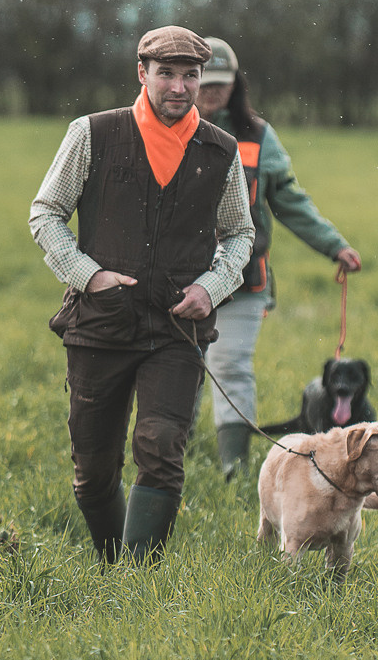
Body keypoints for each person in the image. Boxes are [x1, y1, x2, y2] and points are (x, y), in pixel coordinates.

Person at [29, 27, 255, 562]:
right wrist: (89, 276)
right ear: (142, 74)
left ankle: (137, 577)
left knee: (160, 446)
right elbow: (46, 212)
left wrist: (212, 286)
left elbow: (240, 234)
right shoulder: (92, 134)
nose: (180, 87)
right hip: (100, 323)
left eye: (191, 76)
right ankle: (112, 566)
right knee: (92, 470)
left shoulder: (220, 152)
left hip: (176, 331)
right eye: (167, 74)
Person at [194, 37, 362, 478]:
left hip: (243, 278)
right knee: (179, 368)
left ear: (236, 83)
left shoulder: (257, 137)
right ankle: (172, 455)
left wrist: (333, 244)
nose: (211, 93)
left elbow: (288, 199)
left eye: (221, 83)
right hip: (177, 275)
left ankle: (234, 468)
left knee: (229, 364)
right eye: (203, 82)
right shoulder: (164, 130)